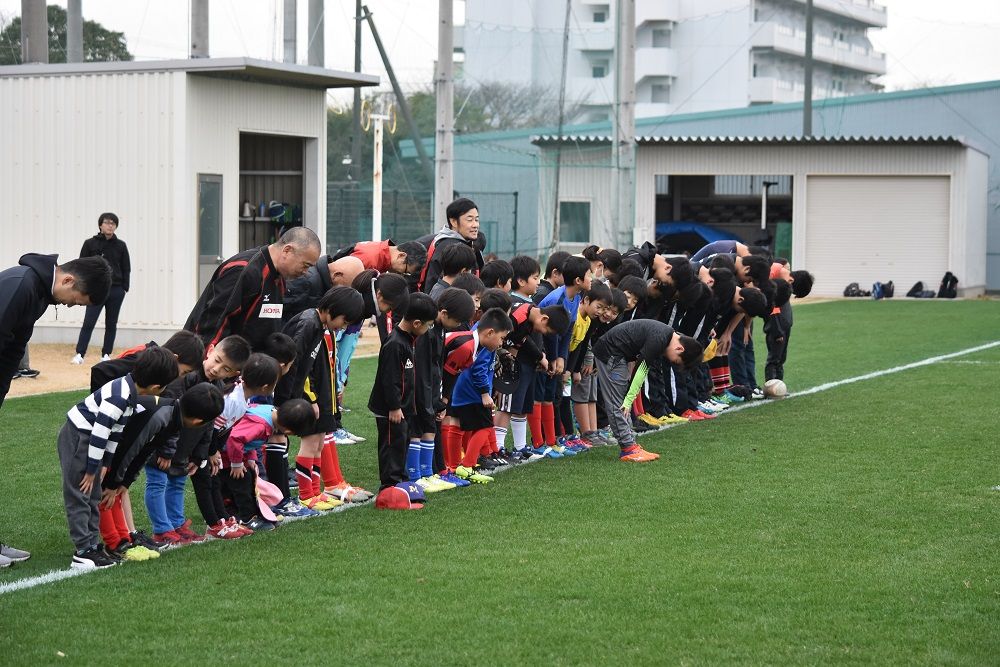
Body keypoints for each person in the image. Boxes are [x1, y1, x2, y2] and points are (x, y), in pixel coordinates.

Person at [57, 346, 178, 569]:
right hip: (79, 437)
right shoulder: (119, 397)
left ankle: (92, 545)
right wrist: (92, 470)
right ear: (156, 388)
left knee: (93, 495)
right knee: (79, 494)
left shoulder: (130, 393)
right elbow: (99, 434)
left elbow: (115, 433)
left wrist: (106, 463)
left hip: (92, 441)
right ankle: (82, 551)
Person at [276, 286, 366, 511]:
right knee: (308, 443)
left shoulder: (319, 325)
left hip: (304, 396)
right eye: (344, 321)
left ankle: (316, 492)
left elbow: (307, 366)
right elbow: (294, 365)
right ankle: (306, 495)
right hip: (292, 397)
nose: (343, 327)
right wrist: (305, 399)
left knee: (317, 443)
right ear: (333, 309)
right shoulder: (308, 323)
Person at [0, 253, 111, 410]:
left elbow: (16, 347)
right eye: (75, 301)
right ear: (68, 281)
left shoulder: (41, 294)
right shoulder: (22, 286)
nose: (70, 305)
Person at [185, 226, 322, 351]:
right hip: (220, 362)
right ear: (287, 250)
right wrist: (211, 365)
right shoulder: (244, 270)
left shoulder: (279, 277)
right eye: (305, 265)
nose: (306, 272)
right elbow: (214, 322)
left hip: (252, 364)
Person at [592, 319, 703, 463]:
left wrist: (629, 397)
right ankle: (628, 448)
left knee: (621, 401)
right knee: (618, 403)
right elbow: (641, 369)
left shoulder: (667, 336)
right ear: (680, 349)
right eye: (676, 361)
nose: (672, 362)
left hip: (618, 355)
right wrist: (629, 399)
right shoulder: (660, 338)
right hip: (611, 354)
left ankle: (630, 444)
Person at [369, 293, 439, 508]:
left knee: (401, 444)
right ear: (416, 323)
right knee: (392, 446)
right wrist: (394, 406)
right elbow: (389, 379)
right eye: (428, 325)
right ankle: (389, 489)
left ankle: (399, 482)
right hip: (392, 410)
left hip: (403, 409)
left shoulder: (409, 340)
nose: (428, 329)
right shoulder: (395, 344)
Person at [222, 398, 316, 531]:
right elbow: (234, 438)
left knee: (246, 481)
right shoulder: (261, 425)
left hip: (232, 454)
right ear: (288, 431)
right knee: (242, 484)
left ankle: (239, 513)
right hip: (225, 456)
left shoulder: (269, 411)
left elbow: (247, 439)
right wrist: (236, 464)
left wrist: (251, 458)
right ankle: (248, 519)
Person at [450, 309, 513, 483]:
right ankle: (467, 465)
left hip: (466, 390)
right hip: (473, 392)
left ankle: (458, 465)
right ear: (491, 332)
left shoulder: (482, 339)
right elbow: (478, 369)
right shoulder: (484, 344)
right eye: (501, 338)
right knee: (485, 426)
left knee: (466, 426)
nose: (501, 343)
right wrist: (485, 393)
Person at [72, 212, 132, 364]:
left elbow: (126, 267)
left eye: (113, 223)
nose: (110, 226)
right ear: (100, 225)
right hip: (96, 289)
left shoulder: (121, 245)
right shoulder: (90, 244)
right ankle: (80, 354)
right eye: (107, 222)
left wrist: (124, 287)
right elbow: (81, 265)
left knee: (111, 323)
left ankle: (106, 354)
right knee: (89, 322)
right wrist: (84, 287)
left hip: (116, 289)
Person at [418, 198, 484, 292]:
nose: (475, 225)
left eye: (476, 220)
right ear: (453, 222)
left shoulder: (451, 243)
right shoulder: (452, 248)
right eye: (469, 220)